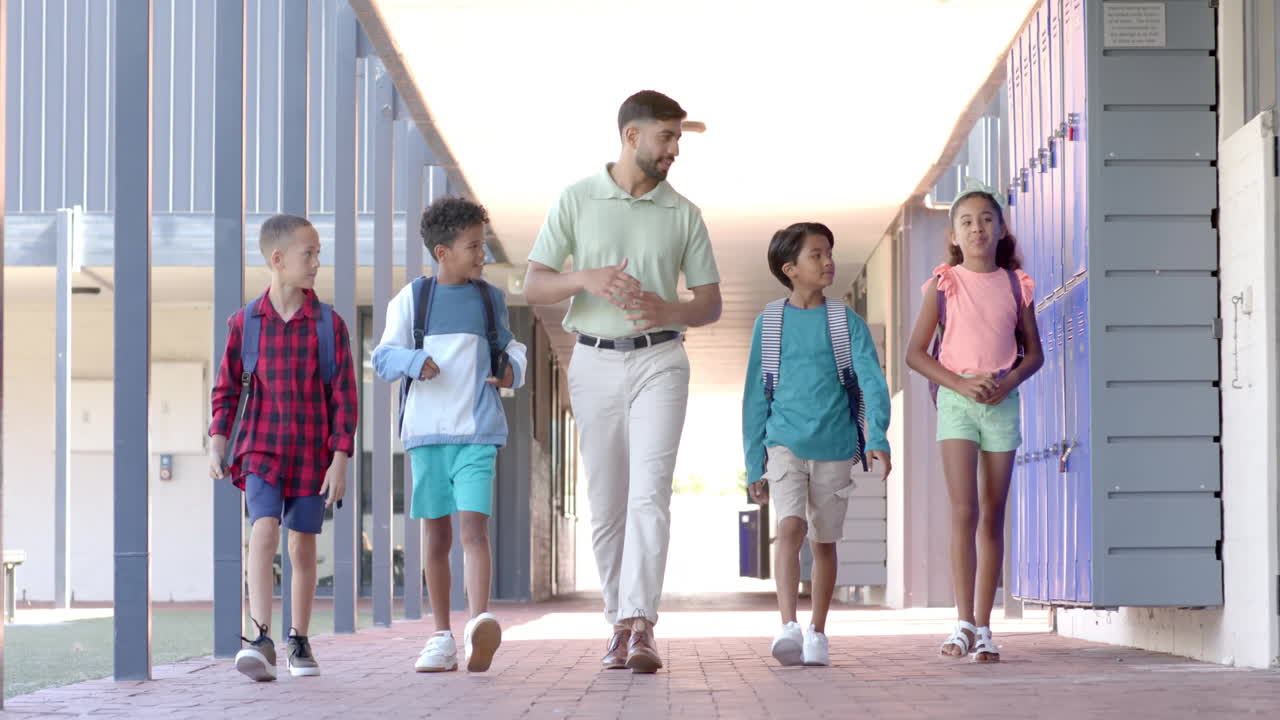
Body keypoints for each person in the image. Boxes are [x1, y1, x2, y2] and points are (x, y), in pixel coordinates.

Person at [522, 90, 722, 673]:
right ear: (632, 136)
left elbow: (709, 303)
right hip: (593, 361)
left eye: (678, 138)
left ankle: (641, 625)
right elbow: (534, 285)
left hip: (662, 361)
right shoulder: (577, 198)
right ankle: (618, 621)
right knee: (607, 500)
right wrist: (583, 278)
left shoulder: (683, 213)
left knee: (650, 494)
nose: (675, 149)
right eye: (666, 137)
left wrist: (668, 311)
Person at [372, 197, 527, 673]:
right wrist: (415, 360)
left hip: (477, 433)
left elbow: (511, 348)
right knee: (436, 536)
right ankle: (440, 636)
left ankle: (478, 623)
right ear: (442, 252)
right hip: (427, 438)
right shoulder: (412, 300)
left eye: (483, 244)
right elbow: (383, 358)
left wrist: (511, 369)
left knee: (474, 531)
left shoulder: (489, 299)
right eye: (473, 246)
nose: (483, 254)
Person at [209, 214, 358, 681]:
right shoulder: (245, 323)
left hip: (312, 451)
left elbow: (344, 398)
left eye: (318, 254)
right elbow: (226, 389)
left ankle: (299, 639)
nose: (316, 263)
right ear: (278, 259)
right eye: (308, 254)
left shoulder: (329, 325)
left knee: (302, 544)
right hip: (261, 447)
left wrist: (339, 458)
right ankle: (260, 638)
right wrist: (217, 440)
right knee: (263, 528)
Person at [904, 179, 1044, 663]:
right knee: (963, 510)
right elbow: (915, 354)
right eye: (966, 221)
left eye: (986, 219)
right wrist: (959, 385)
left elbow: (1034, 354)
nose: (977, 228)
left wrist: (1008, 382)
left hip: (1002, 403)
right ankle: (962, 622)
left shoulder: (1016, 284)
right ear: (954, 234)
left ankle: (985, 627)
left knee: (993, 512)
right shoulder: (944, 284)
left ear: (1001, 229)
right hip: (958, 403)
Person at [742, 222, 892, 667]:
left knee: (824, 541)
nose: (829, 262)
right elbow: (755, 397)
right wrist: (753, 463)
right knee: (790, 527)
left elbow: (872, 382)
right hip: (783, 443)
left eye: (830, 253)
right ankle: (788, 625)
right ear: (790, 269)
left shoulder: (845, 322)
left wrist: (878, 437)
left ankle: (817, 633)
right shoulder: (770, 323)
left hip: (834, 446)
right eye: (817, 255)